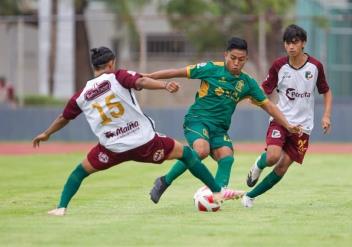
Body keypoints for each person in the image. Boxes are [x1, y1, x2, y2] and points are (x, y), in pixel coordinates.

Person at [32, 47, 243, 216]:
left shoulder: (82, 95)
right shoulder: (118, 76)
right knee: (188, 154)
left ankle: (61, 208)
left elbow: (64, 118)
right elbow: (140, 81)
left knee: (79, 172)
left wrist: (47, 134)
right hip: (144, 143)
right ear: (111, 63)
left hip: (111, 148)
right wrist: (163, 86)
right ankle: (217, 191)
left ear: (94, 67)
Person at [145, 37, 302, 204]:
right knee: (201, 150)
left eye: (241, 60)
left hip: (219, 129)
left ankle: (216, 197)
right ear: (225, 55)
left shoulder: (247, 83)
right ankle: (164, 181)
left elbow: (269, 106)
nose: (236, 63)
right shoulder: (211, 68)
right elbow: (177, 71)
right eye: (232, 58)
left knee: (227, 157)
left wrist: (287, 125)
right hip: (197, 120)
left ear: (246, 60)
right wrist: (148, 76)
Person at [242, 24, 332, 208]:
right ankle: (258, 166)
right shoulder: (279, 66)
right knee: (273, 156)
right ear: (284, 45)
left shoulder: (315, 67)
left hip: (303, 127)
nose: (291, 46)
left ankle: (249, 196)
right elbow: (264, 89)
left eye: (295, 42)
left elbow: (326, 91)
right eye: (287, 43)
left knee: (282, 167)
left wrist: (326, 116)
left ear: (303, 43)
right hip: (280, 120)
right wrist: (255, 97)